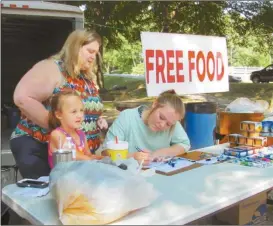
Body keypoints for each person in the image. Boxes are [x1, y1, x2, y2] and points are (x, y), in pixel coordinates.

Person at [10, 30, 108, 179]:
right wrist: (56, 125)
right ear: (75, 47)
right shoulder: (53, 68)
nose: (93, 57)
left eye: (96, 53)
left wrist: (97, 119)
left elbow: (81, 108)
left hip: (75, 154)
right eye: (90, 51)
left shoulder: (85, 77)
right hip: (40, 146)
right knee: (49, 196)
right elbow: (22, 97)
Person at [102, 90, 191, 165]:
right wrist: (132, 157)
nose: (162, 125)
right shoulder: (127, 117)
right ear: (155, 104)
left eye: (168, 124)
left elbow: (184, 144)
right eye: (161, 117)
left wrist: (159, 153)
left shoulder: (172, 122)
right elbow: (105, 152)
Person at [48, 91, 103, 169]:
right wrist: (95, 162)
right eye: (74, 111)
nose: (80, 115)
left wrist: (104, 159)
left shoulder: (81, 134)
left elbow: (88, 156)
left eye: (81, 110)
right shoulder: (57, 134)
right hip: (61, 178)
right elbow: (73, 155)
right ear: (59, 115)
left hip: (79, 177)